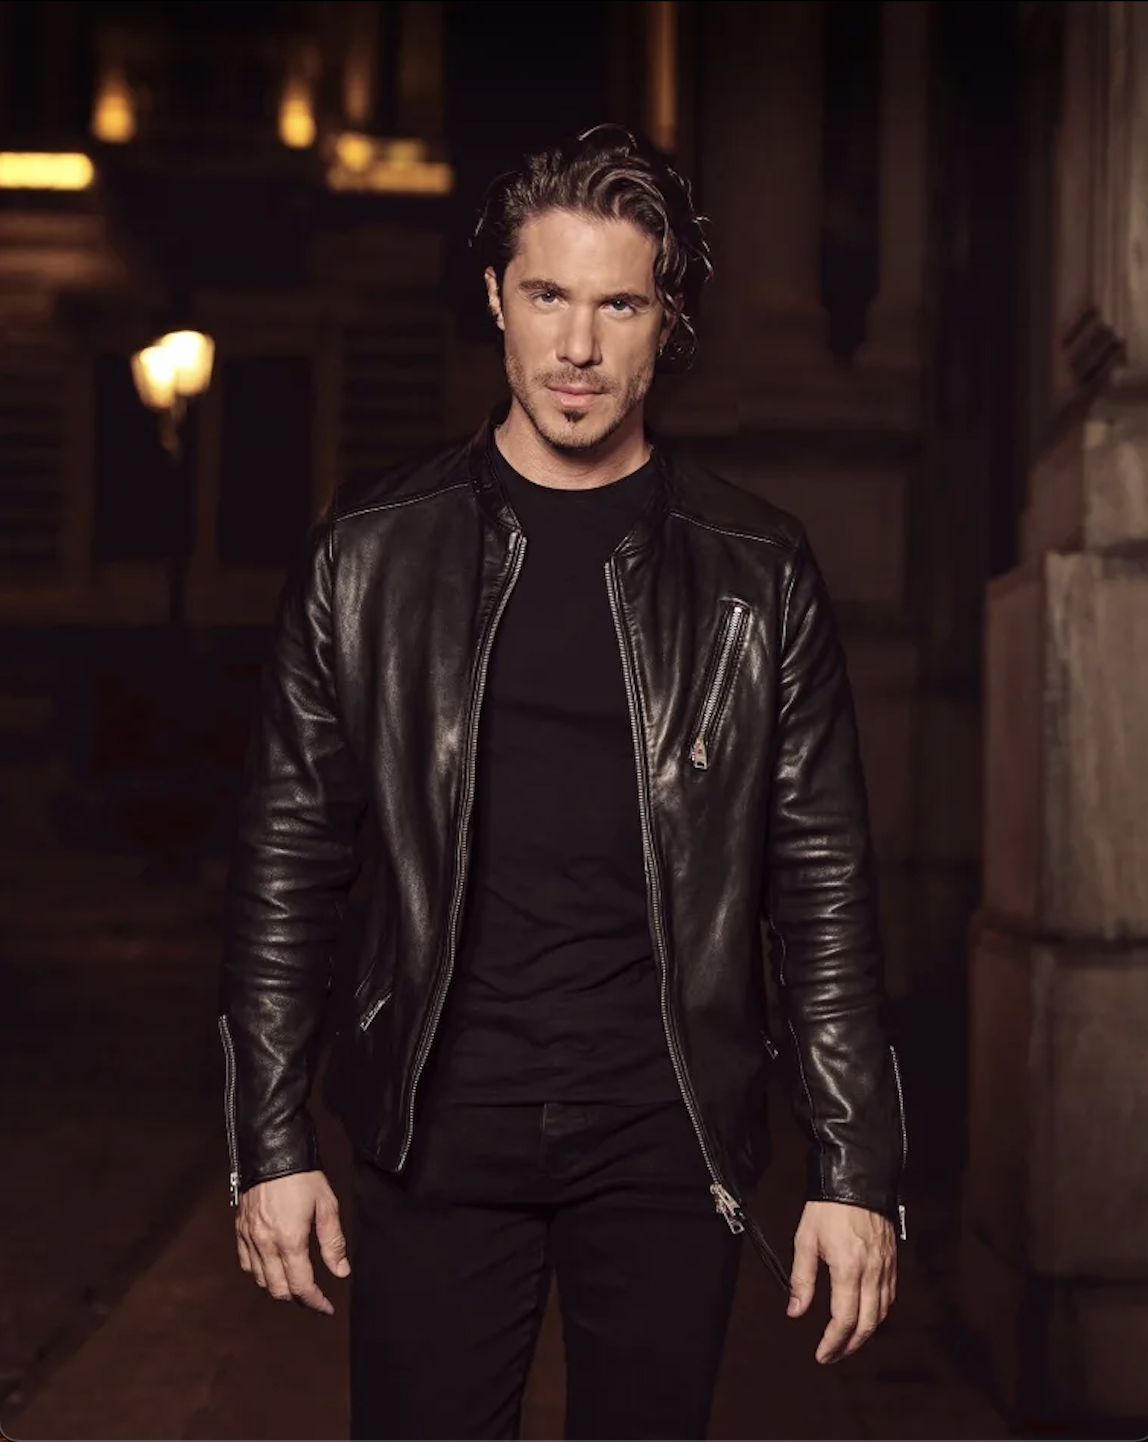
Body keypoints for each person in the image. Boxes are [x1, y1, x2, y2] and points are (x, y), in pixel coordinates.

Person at [219, 123, 907, 1441]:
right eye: (547, 295)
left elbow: (821, 879)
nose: (577, 347)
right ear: (495, 295)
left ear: (669, 320)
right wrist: (271, 1140)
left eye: (619, 305)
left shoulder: (757, 570)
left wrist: (855, 1165)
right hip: (435, 1130)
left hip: (665, 1134)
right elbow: (287, 862)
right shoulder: (369, 552)